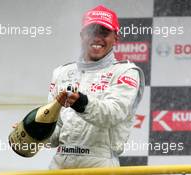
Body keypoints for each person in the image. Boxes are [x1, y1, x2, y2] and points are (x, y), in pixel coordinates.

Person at [46, 5, 145, 169]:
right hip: (60, 163)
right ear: (82, 35)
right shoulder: (62, 72)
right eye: (91, 31)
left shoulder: (125, 71)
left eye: (104, 33)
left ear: (116, 38)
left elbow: (112, 114)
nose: (97, 37)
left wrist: (81, 102)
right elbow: (55, 134)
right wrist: (35, 131)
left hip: (100, 163)